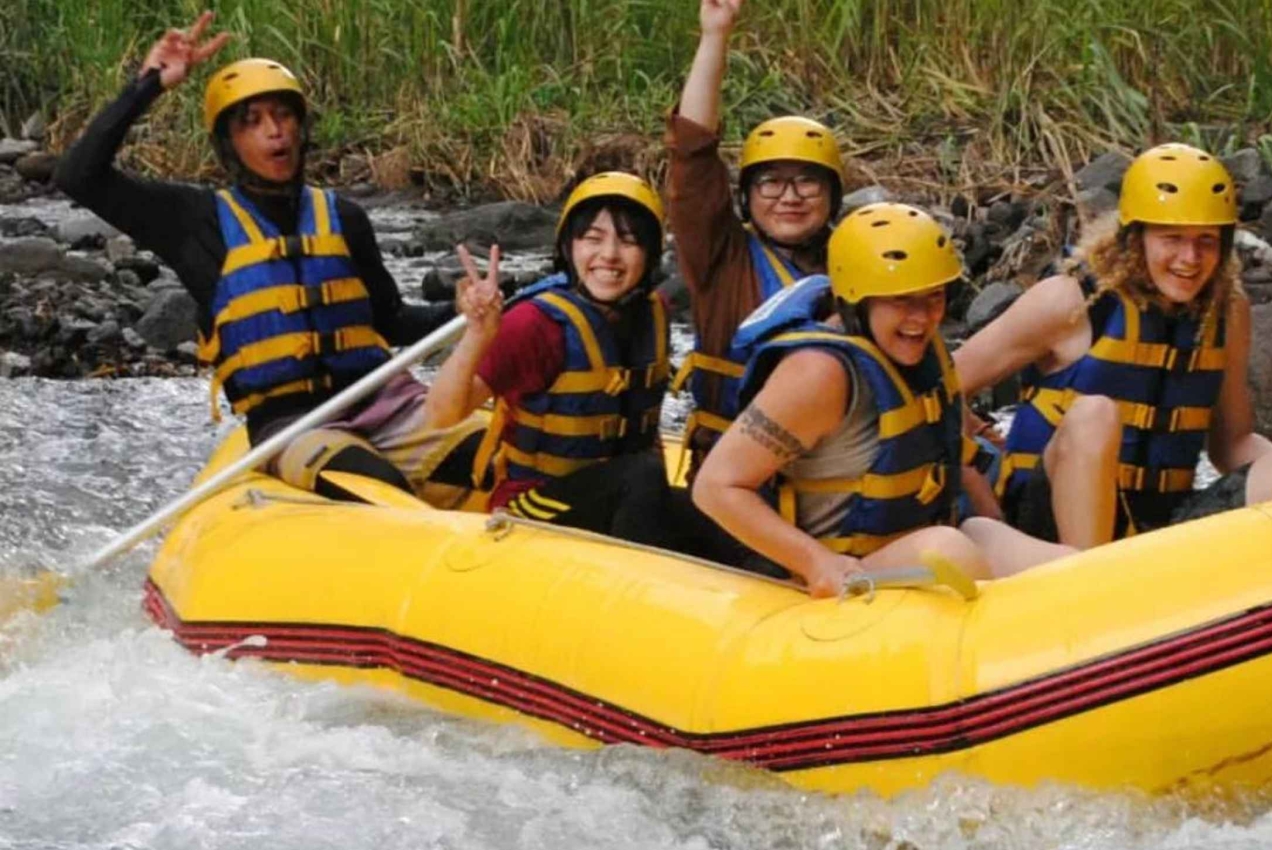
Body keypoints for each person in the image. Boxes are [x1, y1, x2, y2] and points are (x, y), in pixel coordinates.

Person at [53, 13, 489, 508]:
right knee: (372, 484)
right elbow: (78, 177)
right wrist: (149, 84)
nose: (274, 132)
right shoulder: (193, 221)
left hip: (388, 405)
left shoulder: (343, 217)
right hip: (293, 426)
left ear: (301, 128)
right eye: (252, 122)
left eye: (283, 116)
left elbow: (388, 322)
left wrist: (462, 312)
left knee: (498, 459)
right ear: (229, 143)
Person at [953, 143, 1272, 548]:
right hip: (1048, 528)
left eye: (1206, 240)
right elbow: (937, 389)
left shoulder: (1225, 314)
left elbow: (1232, 445)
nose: (1189, 258)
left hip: (1163, 524)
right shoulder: (1068, 301)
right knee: (1094, 414)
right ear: (1134, 238)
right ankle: (1085, 586)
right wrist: (981, 493)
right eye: (1171, 238)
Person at [692, 204, 1072, 597]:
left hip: (918, 552)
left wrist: (994, 511)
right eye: (901, 300)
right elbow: (716, 486)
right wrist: (815, 563)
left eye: (934, 297)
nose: (921, 318)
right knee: (949, 548)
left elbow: (948, 451)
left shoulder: (920, 349)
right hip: (837, 582)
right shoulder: (819, 373)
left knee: (1061, 564)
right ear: (857, 300)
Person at [424, 172, 687, 545]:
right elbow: (440, 415)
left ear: (649, 256)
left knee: (703, 510)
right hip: (532, 509)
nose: (609, 255)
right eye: (592, 239)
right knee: (642, 475)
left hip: (617, 495)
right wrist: (477, 335)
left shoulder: (654, 313)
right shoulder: (537, 323)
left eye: (628, 241)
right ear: (569, 248)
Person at [666, 0, 845, 471]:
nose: (790, 197)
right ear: (746, 197)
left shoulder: (855, 265)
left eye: (807, 181)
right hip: (735, 481)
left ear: (832, 196)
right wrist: (715, 37)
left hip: (829, 477)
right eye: (770, 182)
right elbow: (692, 153)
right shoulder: (722, 258)